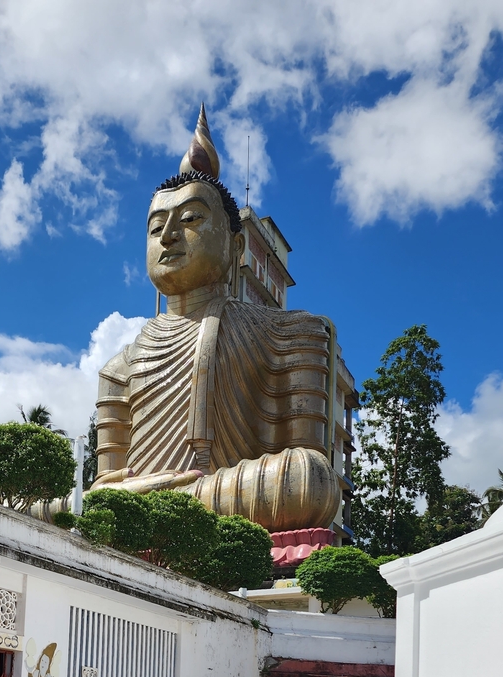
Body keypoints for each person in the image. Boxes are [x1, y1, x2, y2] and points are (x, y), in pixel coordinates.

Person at [91, 105, 341, 531]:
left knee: (308, 481)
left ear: (236, 246)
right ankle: (164, 508)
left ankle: (167, 508)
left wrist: (167, 497)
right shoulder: (120, 367)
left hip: (233, 505)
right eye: (156, 227)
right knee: (67, 508)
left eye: (189, 219)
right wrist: (119, 495)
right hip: (151, 509)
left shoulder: (292, 331)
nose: (168, 235)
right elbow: (103, 489)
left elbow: (312, 469)